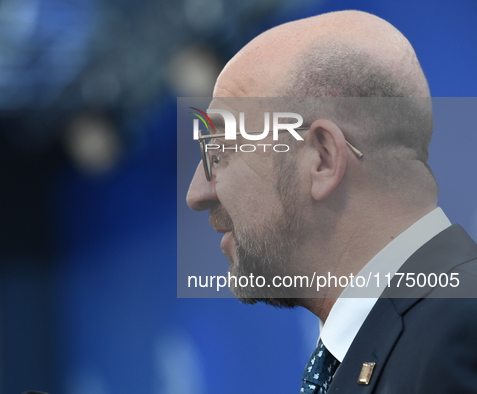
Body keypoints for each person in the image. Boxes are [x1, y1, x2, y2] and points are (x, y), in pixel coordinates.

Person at [186, 10, 477, 393]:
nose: (197, 194)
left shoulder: (457, 336)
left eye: (220, 150)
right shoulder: (413, 338)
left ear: (321, 158)